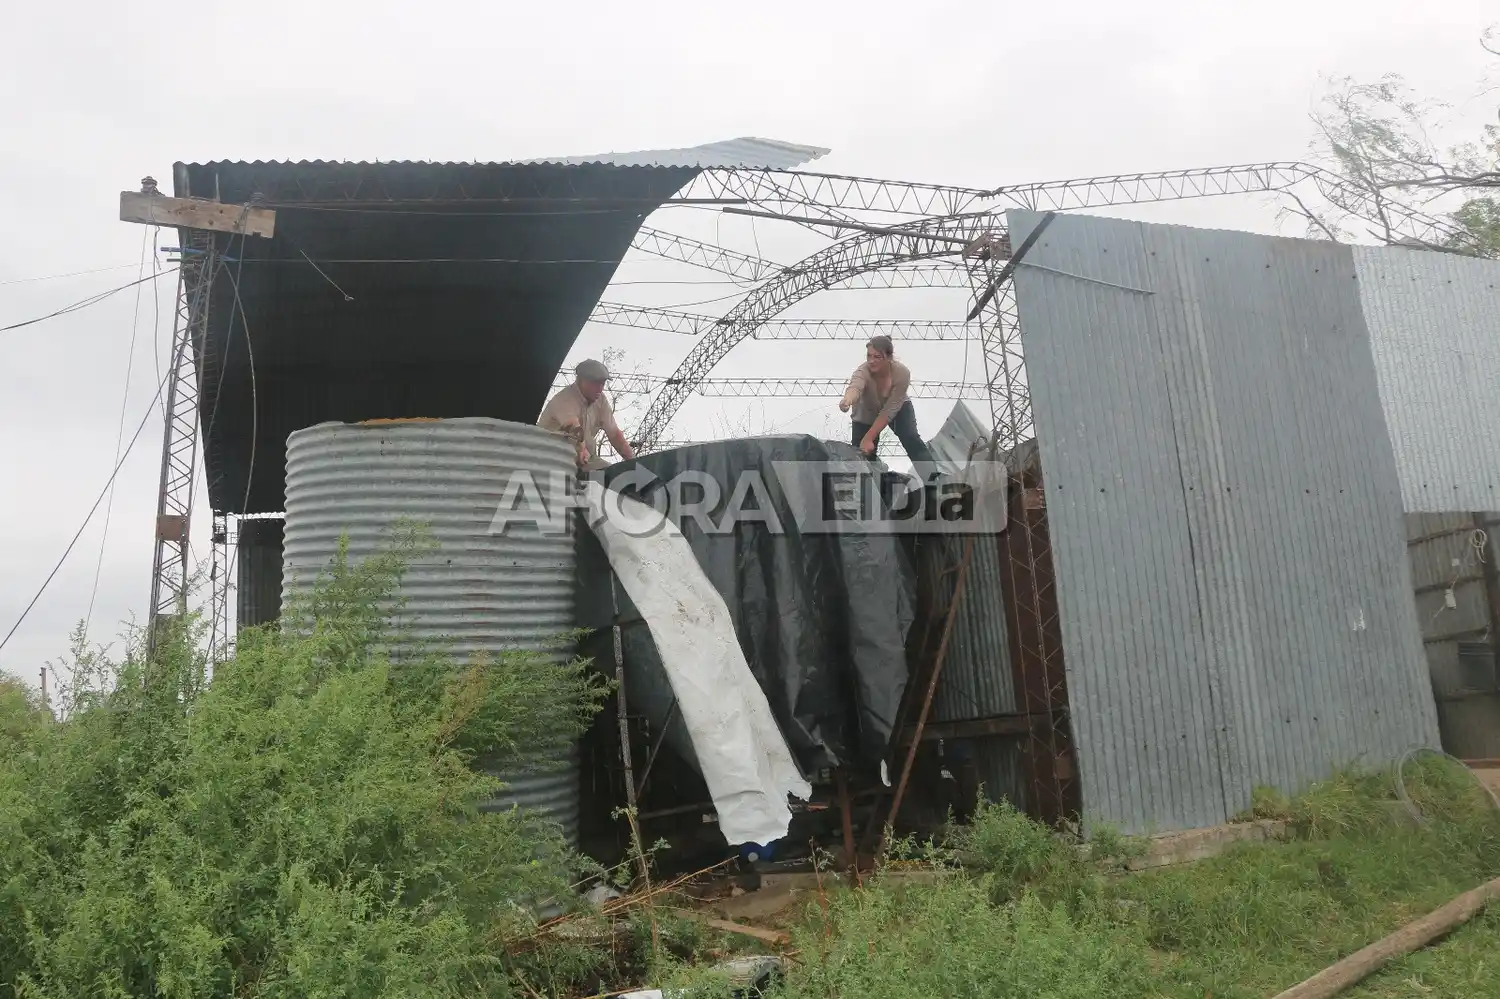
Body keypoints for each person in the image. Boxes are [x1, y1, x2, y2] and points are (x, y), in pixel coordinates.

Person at [838, 335, 933, 465]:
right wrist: (847, 400)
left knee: (910, 437)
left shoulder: (902, 373)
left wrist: (869, 437)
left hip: (897, 408)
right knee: (862, 456)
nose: (871, 361)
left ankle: (933, 481)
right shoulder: (862, 371)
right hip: (866, 413)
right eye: (869, 356)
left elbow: (889, 410)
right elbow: (855, 387)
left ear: (889, 357)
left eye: (877, 357)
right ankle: (868, 484)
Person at [538, 358, 636, 470]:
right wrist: (582, 449)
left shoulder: (601, 400)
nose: (600, 389)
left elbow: (614, 434)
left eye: (602, 383)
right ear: (581, 380)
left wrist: (635, 463)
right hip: (552, 458)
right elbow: (573, 428)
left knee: (613, 474)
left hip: (585, 459)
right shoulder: (564, 399)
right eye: (595, 383)